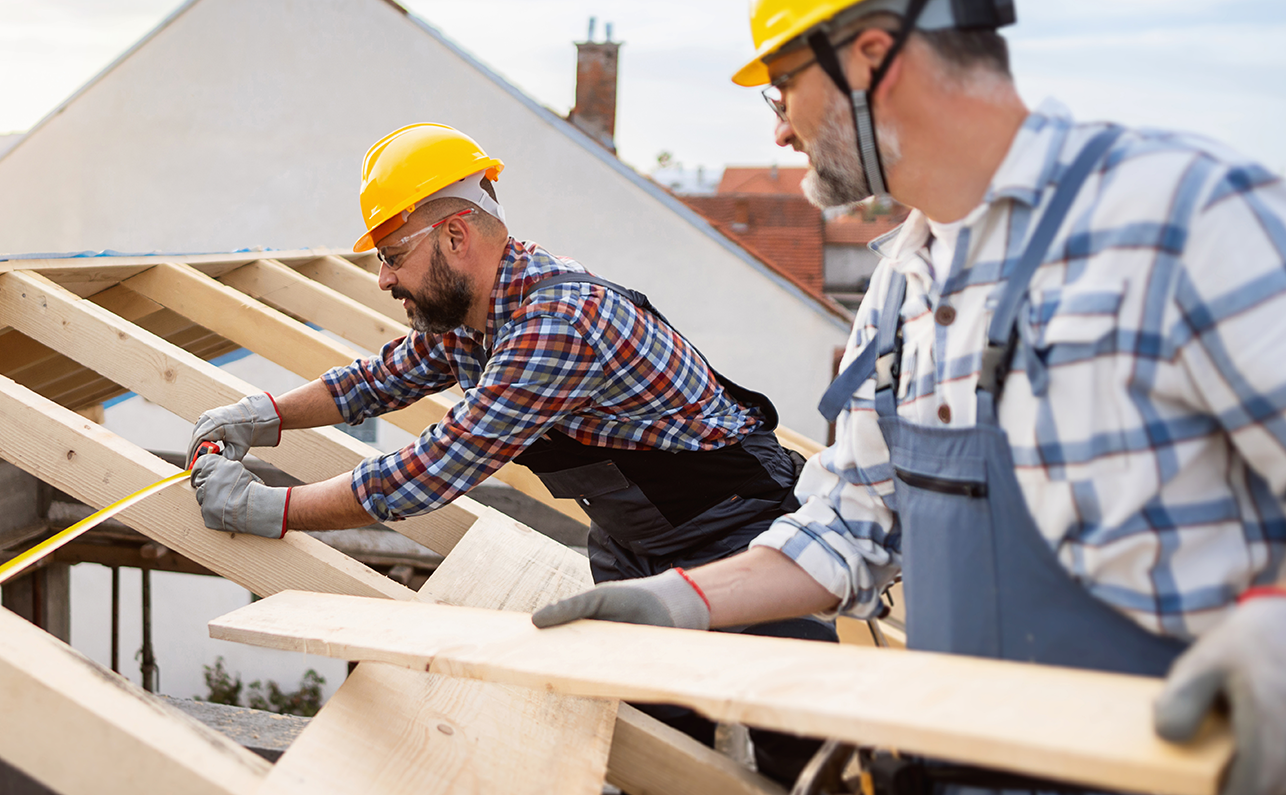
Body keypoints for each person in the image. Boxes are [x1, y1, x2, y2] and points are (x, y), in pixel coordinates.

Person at [534, 0, 1286, 795]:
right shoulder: (909, 277)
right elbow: (853, 520)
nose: (783, 130)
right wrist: (678, 601)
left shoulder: (1179, 215)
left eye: (785, 89)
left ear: (868, 55)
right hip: (941, 777)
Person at [185, 122, 839, 674]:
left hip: (737, 531)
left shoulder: (555, 327)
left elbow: (426, 472)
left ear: (456, 238)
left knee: (793, 717)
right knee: (653, 717)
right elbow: (380, 379)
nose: (383, 279)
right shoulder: (473, 314)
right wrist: (261, 416)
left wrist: (265, 507)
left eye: (391, 256)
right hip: (634, 540)